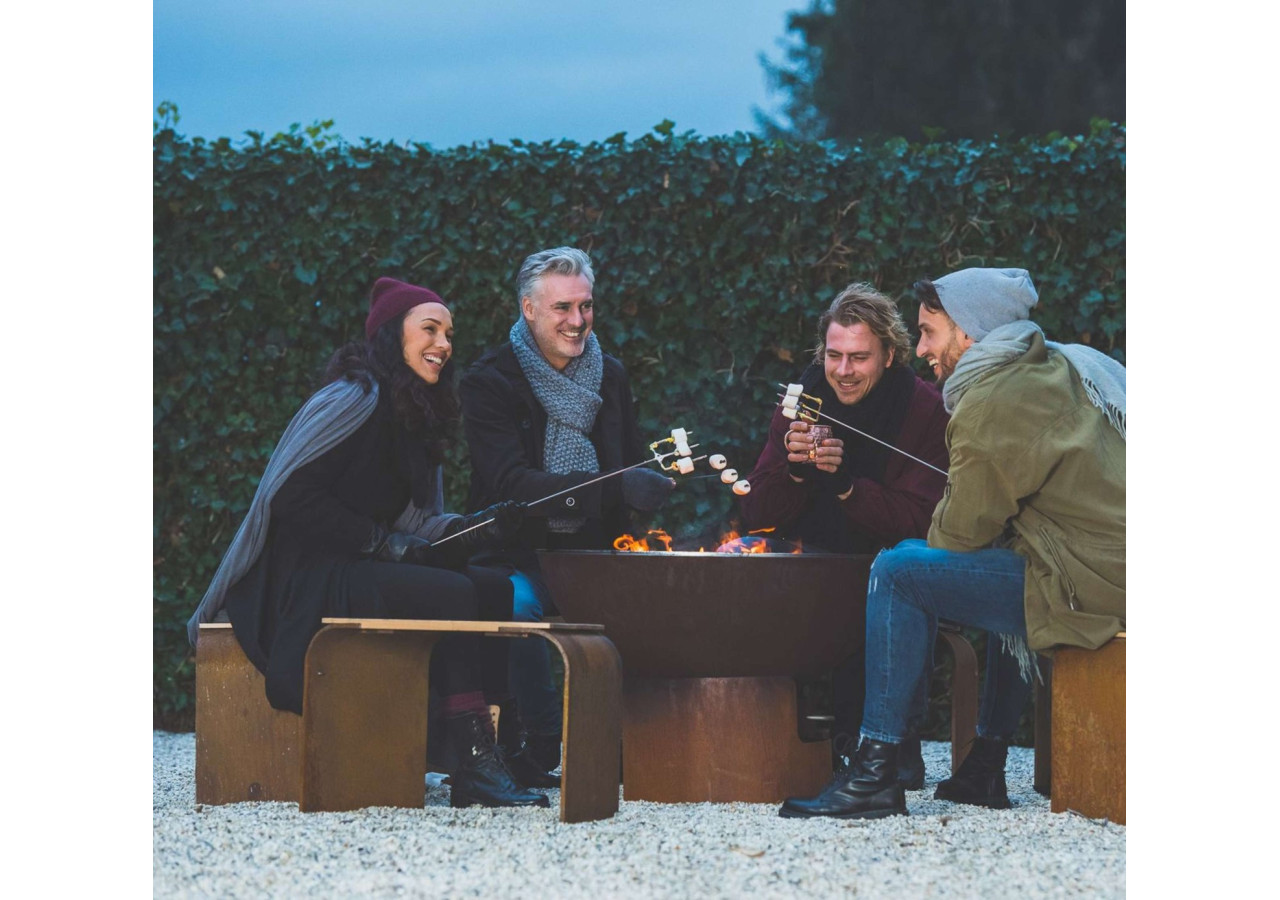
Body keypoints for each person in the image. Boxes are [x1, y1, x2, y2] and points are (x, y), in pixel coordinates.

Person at [187, 276, 549, 810]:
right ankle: (472, 765)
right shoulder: (352, 398)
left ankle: (493, 755)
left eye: (449, 333)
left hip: (359, 567)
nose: (444, 344)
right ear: (390, 335)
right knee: (450, 595)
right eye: (429, 329)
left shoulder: (412, 415)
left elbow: (416, 520)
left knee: (492, 587)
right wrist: (378, 542)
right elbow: (287, 495)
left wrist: (480, 525)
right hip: (302, 579)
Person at [779, 267, 1125, 819]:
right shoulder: (1053, 365)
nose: (920, 350)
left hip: (1089, 582)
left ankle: (875, 773)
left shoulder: (992, 397)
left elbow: (959, 535)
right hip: (1104, 565)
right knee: (1009, 556)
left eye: (928, 333)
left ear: (968, 333)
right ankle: (986, 766)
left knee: (900, 570)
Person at [459, 246, 674, 786]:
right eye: (562, 308)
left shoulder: (612, 376)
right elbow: (512, 486)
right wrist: (612, 489)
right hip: (518, 550)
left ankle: (635, 744)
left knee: (665, 593)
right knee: (518, 604)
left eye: (586, 306)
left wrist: (644, 493)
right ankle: (538, 745)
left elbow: (625, 470)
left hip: (596, 550)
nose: (577, 322)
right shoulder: (489, 381)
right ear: (528, 309)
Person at [739, 282, 949, 789]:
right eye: (834, 355)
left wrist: (846, 487)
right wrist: (794, 472)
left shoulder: (922, 409)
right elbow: (753, 511)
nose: (843, 371)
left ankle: (883, 749)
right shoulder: (801, 401)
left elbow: (923, 521)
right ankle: (761, 748)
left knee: (882, 585)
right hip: (806, 562)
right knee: (741, 572)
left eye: (859, 358)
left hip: (884, 567)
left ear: (890, 355)